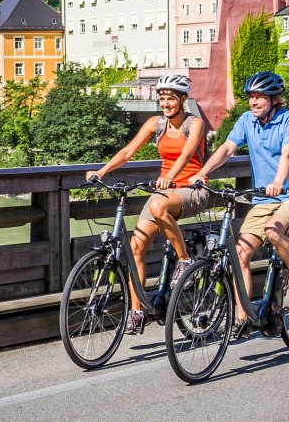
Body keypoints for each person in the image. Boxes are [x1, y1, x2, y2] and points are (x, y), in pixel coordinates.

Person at [85, 74, 211, 334]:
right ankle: (137, 311)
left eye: (171, 99)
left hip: (192, 189)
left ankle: (185, 260)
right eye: (162, 99)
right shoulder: (156, 124)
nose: (166, 104)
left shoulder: (194, 123)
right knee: (135, 247)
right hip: (164, 193)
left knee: (157, 207)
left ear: (183, 99)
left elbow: (188, 153)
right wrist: (102, 171)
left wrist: (169, 177)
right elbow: (128, 151)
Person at [190, 70, 289, 334]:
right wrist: (203, 172)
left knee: (272, 230)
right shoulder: (247, 121)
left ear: (273, 98)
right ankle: (244, 316)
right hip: (264, 199)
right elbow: (227, 148)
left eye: (259, 97)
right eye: (251, 97)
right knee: (241, 253)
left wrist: (279, 180)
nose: (253, 102)